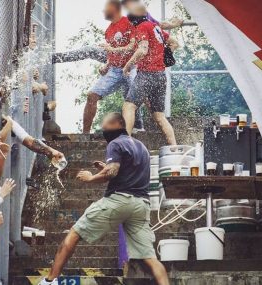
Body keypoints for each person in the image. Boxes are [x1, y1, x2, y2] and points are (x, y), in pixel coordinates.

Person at [39, 113, 169, 285]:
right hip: (141, 205)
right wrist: (105, 167)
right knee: (150, 257)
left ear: (117, 123)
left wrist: (91, 177)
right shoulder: (141, 146)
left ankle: (50, 281)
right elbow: (125, 171)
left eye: (105, 124)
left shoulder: (115, 143)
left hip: (119, 201)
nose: (103, 128)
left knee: (74, 234)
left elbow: (112, 172)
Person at [122, 5, 178, 145]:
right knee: (159, 116)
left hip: (147, 74)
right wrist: (163, 57)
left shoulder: (142, 27)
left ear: (133, 21)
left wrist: (127, 65)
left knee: (129, 106)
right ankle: (175, 148)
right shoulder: (156, 28)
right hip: (160, 75)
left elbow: (142, 50)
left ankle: (125, 144)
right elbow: (175, 43)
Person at [81, 0, 139, 133]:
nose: (103, 11)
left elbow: (132, 46)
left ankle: (142, 127)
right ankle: (85, 134)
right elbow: (111, 53)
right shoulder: (108, 31)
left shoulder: (128, 23)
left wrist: (111, 49)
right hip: (115, 70)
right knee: (92, 95)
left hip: (131, 68)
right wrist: (106, 65)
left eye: (106, 8)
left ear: (114, 8)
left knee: (137, 98)